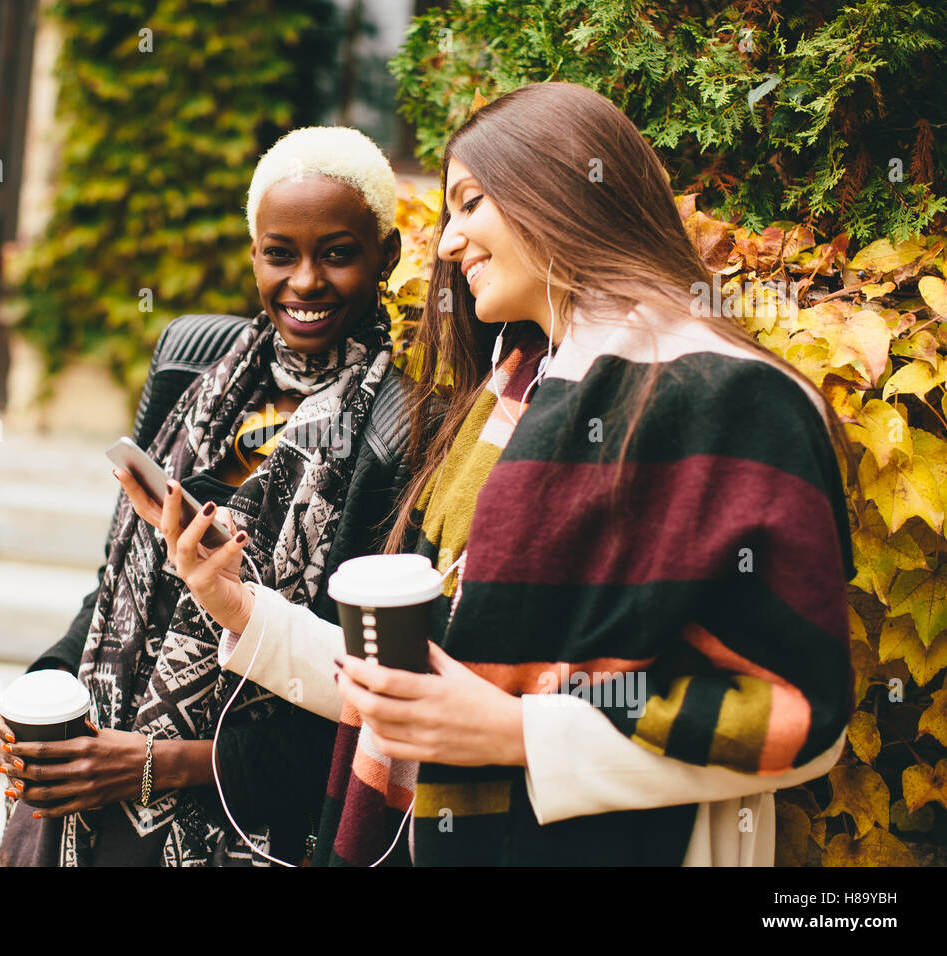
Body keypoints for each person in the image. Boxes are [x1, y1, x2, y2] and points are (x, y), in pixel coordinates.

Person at [148, 82, 856, 866]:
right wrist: (237, 603)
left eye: (470, 204)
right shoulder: (513, 395)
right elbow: (420, 687)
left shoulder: (729, 398)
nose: (447, 243)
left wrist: (523, 733)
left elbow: (798, 714)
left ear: (556, 190)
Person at [0, 125, 414, 866]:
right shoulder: (196, 375)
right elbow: (120, 587)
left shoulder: (399, 429)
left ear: (387, 255)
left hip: (243, 826)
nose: (306, 282)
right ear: (254, 253)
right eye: (280, 253)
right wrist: (49, 682)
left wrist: (160, 762)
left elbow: (356, 702)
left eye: (338, 254)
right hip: (94, 805)